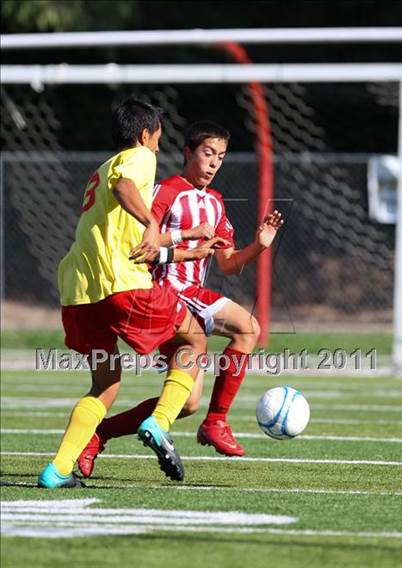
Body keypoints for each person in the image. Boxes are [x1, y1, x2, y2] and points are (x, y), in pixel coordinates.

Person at [77, 120, 282, 478]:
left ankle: (100, 433)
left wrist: (259, 247)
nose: (214, 162)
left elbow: (229, 264)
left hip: (192, 299)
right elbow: (146, 242)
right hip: (169, 293)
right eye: (208, 153)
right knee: (248, 328)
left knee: (185, 403)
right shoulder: (166, 191)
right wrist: (186, 240)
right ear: (188, 153)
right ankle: (216, 422)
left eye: (220, 156)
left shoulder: (216, 203)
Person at [37, 98, 216, 488]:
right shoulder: (137, 159)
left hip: (81, 292)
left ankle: (58, 470)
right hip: (121, 285)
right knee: (195, 339)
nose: (157, 148)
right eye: (157, 140)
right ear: (143, 135)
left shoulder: (99, 172)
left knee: (105, 384)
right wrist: (152, 219)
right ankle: (159, 421)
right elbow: (126, 191)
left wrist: (185, 240)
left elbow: (133, 237)